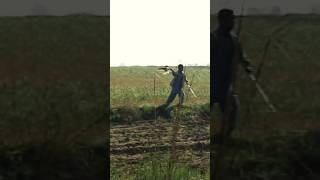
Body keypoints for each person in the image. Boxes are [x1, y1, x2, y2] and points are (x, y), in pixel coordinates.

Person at [211, 9, 253, 138]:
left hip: (226, 84)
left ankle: (222, 137)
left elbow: (241, 56)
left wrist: (247, 66)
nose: (233, 22)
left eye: (233, 19)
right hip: (211, 83)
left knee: (232, 111)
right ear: (222, 20)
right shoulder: (213, 38)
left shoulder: (234, 39)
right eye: (230, 19)